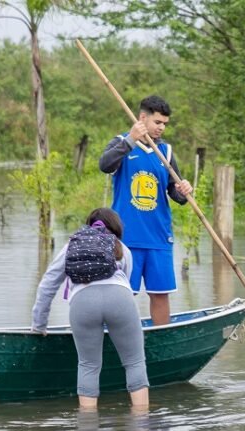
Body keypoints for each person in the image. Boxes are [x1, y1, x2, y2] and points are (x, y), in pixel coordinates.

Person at [32, 208, 149, 409]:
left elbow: (48, 284)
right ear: (117, 228)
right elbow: (129, 288)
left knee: (88, 365)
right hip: (119, 298)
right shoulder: (122, 248)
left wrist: (39, 325)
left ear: (88, 226)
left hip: (82, 303)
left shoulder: (72, 245)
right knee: (134, 362)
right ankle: (141, 428)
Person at [99, 95, 194, 326]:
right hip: (126, 239)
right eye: (157, 122)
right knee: (123, 295)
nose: (161, 128)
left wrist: (184, 190)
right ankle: (121, 339)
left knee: (160, 294)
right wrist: (131, 139)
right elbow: (105, 165)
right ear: (143, 118)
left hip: (159, 237)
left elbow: (175, 193)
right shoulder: (122, 142)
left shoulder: (166, 153)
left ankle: (162, 339)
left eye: (165, 124)